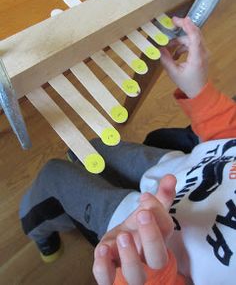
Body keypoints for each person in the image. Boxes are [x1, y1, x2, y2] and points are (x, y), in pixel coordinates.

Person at [19, 17, 236, 284]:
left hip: (139, 242)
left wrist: (154, 276)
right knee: (94, 149)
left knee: (55, 176)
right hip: (178, 167)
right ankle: (82, 164)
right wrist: (200, 92)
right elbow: (229, 139)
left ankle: (40, 233)